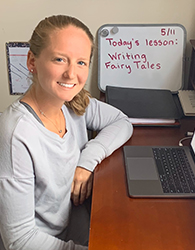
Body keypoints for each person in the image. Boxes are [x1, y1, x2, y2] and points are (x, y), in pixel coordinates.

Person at [0, 15, 133, 250]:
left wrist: (86, 162)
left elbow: (121, 122)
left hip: (77, 222)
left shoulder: (72, 103)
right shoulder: (15, 133)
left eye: (81, 62)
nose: (71, 74)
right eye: (60, 59)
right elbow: (19, 240)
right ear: (32, 61)